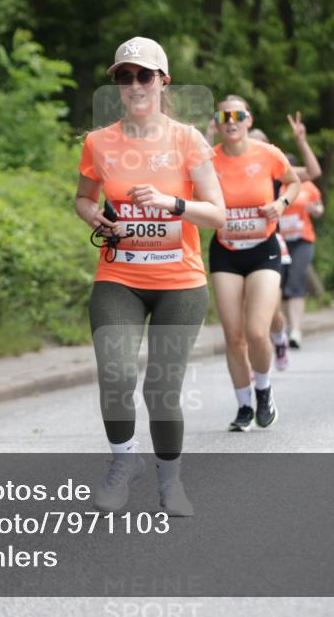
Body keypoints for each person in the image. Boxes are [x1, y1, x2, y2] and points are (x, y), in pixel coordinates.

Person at [75, 37, 225, 516]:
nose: (134, 84)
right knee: (115, 374)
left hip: (180, 284)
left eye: (144, 75)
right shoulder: (98, 142)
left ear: (163, 80)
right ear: (117, 84)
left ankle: (171, 483)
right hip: (118, 277)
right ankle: (124, 462)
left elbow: (217, 216)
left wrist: (171, 204)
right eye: (124, 76)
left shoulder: (187, 140)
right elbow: (82, 198)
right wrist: (93, 215)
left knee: (161, 391)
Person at [209, 95, 301, 431]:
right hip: (225, 250)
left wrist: (281, 203)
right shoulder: (208, 159)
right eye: (224, 115)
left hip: (264, 249)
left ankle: (264, 391)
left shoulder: (268, 154)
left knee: (256, 331)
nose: (231, 120)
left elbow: (295, 182)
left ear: (248, 120)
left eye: (238, 115)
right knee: (234, 336)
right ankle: (244, 406)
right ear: (217, 123)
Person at [270, 113, 323, 356]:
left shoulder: (307, 186)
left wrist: (316, 209)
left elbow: (319, 206)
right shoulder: (271, 184)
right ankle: (278, 327)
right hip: (278, 239)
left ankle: (296, 330)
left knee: (296, 282)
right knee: (277, 285)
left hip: (302, 240)